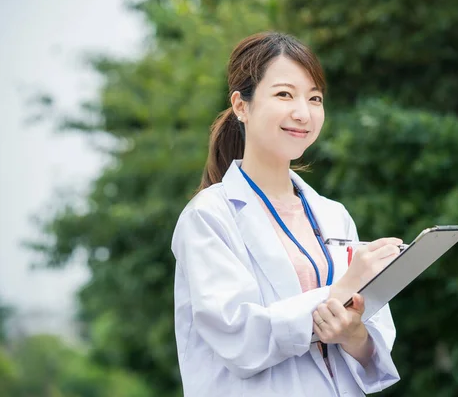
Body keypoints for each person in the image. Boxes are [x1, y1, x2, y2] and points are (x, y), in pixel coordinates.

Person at [171, 31, 402, 396]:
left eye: (315, 98)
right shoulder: (209, 216)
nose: (303, 112)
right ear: (241, 105)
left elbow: (372, 346)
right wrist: (342, 291)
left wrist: (353, 331)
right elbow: (240, 338)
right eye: (284, 94)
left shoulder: (333, 215)